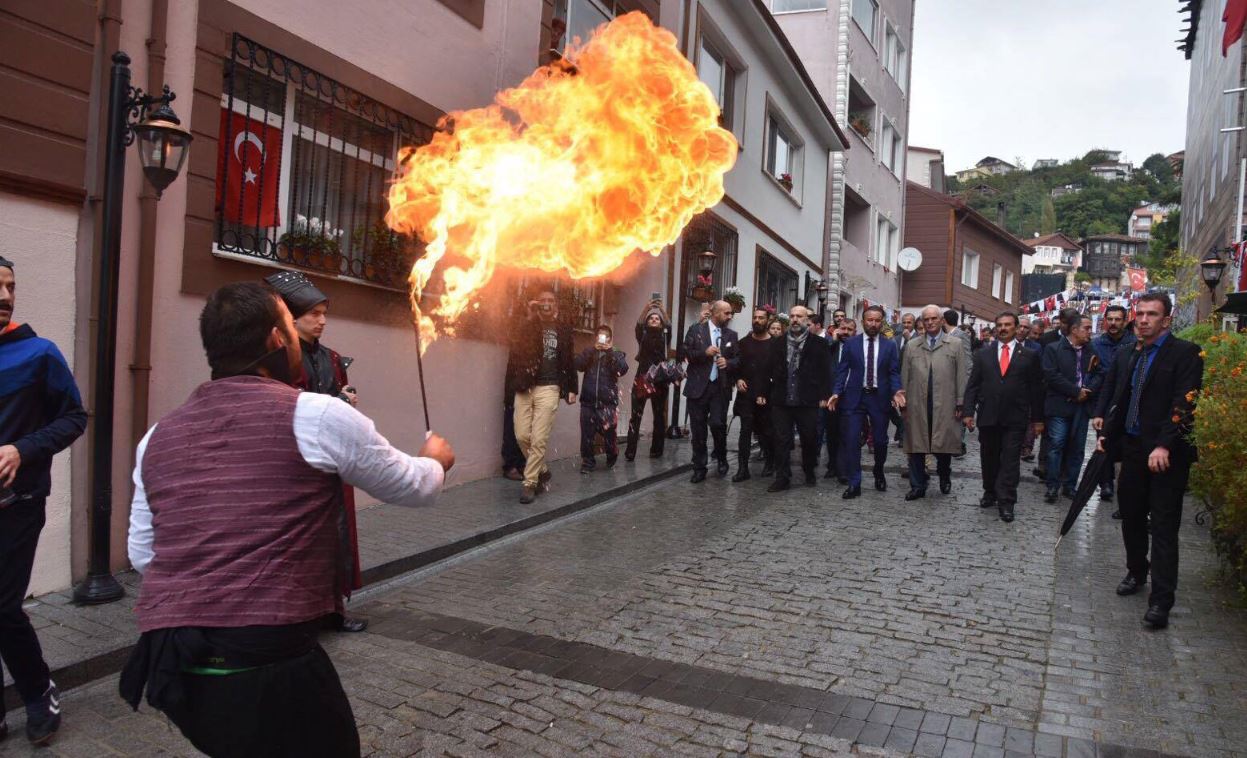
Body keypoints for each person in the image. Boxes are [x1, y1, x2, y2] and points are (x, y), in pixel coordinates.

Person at [120, 282, 455, 756]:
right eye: (293, 329)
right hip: (268, 664)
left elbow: (143, 555)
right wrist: (435, 460)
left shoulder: (156, 436)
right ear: (278, 341)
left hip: (178, 666)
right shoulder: (316, 416)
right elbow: (413, 486)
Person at [0, 257, 87, 746]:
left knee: (2, 606)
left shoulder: (38, 354)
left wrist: (21, 449)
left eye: (11, 286)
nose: (5, 296)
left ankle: (38, 691)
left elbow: (74, 417)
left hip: (19, 501)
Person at [264, 271, 366, 634]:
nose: (321, 321)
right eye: (313, 314)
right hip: (295, 462)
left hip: (331, 461)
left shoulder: (332, 358)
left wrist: (346, 401)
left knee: (333, 538)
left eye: (324, 314)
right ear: (292, 317)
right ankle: (298, 613)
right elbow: (287, 404)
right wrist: (335, 402)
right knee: (298, 540)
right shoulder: (279, 359)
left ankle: (333, 609)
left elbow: (339, 400)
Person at [1092, 293, 1201, 629]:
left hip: (1167, 454)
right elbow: (1119, 400)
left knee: (1165, 527)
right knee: (1132, 516)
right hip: (1135, 449)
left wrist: (1166, 445)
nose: (1142, 320)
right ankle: (1137, 571)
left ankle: (1161, 601)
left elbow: (1185, 401)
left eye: (1151, 315)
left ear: (1166, 320)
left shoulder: (1185, 353)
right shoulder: (1129, 354)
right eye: (1139, 314)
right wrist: (1107, 436)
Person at [962, 312, 1045, 522]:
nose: (1003, 328)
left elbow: (1036, 390)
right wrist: (968, 413)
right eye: (999, 325)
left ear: (1016, 328)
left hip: (1015, 418)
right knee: (988, 458)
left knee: (1010, 461)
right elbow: (972, 386)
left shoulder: (1029, 356)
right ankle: (989, 491)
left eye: (1008, 325)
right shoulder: (983, 354)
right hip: (988, 416)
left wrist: (1038, 420)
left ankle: (1007, 500)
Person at [506, 290, 577, 504]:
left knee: (538, 439)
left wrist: (572, 387)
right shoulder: (528, 325)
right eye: (543, 300)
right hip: (525, 387)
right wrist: (529, 315)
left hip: (550, 387)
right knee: (521, 436)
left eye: (550, 301)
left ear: (556, 305)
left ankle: (530, 483)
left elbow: (569, 360)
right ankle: (542, 470)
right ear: (538, 304)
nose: (546, 304)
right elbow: (516, 344)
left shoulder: (563, 329)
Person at [829, 306, 903, 499]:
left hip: (879, 398)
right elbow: (842, 370)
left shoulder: (890, 345)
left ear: (882, 322)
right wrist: (836, 392)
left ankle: (879, 470)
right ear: (863, 321)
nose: (873, 323)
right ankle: (855, 482)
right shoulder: (851, 344)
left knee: (880, 441)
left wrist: (896, 391)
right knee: (852, 440)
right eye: (869, 320)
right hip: (855, 397)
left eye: (877, 320)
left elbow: (894, 372)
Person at [762, 306, 832, 492]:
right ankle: (782, 477)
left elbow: (826, 371)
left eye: (799, 316)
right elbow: (767, 369)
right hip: (782, 399)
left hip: (807, 400)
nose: (794, 319)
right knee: (781, 439)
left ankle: (809, 470)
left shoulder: (819, 344)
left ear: (807, 320)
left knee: (809, 438)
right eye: (792, 316)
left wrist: (825, 395)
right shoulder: (777, 343)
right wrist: (765, 391)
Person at [901, 305, 968, 500]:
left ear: (941, 320)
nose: (930, 322)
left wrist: (960, 402)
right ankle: (917, 485)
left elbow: (961, 375)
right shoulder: (912, 345)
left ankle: (944, 474)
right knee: (916, 443)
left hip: (945, 402)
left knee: (943, 442)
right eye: (926, 319)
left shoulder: (955, 344)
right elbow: (904, 375)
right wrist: (903, 401)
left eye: (934, 319)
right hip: (916, 402)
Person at [1042, 313, 1103, 503]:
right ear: (1074, 330)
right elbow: (1051, 376)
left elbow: (1101, 373)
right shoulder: (1054, 349)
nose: (1089, 332)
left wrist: (1089, 389)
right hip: (1060, 405)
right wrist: (1075, 391)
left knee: (1077, 448)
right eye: (1086, 328)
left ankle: (1070, 486)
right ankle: (1052, 485)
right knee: (1056, 446)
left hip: (1082, 408)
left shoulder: (1091, 350)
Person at [683, 300, 739, 482]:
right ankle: (699, 467)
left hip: (719, 388)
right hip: (698, 387)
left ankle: (721, 458)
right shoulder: (696, 330)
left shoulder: (731, 335)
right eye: (727, 313)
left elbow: (739, 359)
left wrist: (728, 363)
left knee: (717, 425)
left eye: (730, 313)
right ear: (715, 313)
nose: (730, 316)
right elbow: (686, 354)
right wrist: (703, 353)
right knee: (698, 429)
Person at [1089, 304, 1135, 512]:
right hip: (1104, 401)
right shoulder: (1096, 345)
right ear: (1105, 321)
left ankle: (1124, 487)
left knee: (1126, 446)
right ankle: (1105, 483)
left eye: (1118, 319)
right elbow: (1091, 372)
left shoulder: (1134, 344)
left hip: (1128, 402)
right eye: (1110, 319)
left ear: (1124, 321)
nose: (1114, 323)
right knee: (1104, 443)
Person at [574, 325, 629, 473]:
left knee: (609, 432)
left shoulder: (617, 353)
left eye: (606, 337)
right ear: (596, 338)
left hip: (608, 403)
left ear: (611, 339)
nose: (602, 340)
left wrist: (610, 351)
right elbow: (578, 365)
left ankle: (612, 454)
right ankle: (587, 462)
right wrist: (593, 350)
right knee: (587, 434)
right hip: (588, 401)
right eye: (600, 336)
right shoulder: (589, 352)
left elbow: (622, 369)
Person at [624, 299, 671, 461]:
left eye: (656, 319)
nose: (654, 320)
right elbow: (638, 324)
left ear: (660, 323)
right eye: (651, 318)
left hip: (660, 379)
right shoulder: (642, 333)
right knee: (635, 416)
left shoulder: (665, 335)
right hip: (643, 377)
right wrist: (647, 308)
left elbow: (669, 325)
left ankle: (657, 450)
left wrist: (662, 310)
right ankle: (630, 451)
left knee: (659, 415)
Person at [732, 307, 774, 481]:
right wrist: (738, 379)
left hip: (766, 396)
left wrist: (765, 392)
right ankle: (743, 469)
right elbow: (736, 365)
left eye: (761, 318)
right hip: (746, 395)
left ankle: (770, 462)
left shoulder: (775, 344)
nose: (757, 320)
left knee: (765, 431)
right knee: (745, 431)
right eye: (755, 317)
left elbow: (778, 372)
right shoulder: (743, 343)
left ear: (768, 320)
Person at [822, 318, 851, 481]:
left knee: (847, 434)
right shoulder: (830, 346)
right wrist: (832, 342)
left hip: (849, 397)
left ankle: (844, 468)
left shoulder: (857, 347)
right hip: (830, 397)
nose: (845, 332)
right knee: (831, 433)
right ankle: (832, 465)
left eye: (849, 329)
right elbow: (820, 364)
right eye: (843, 328)